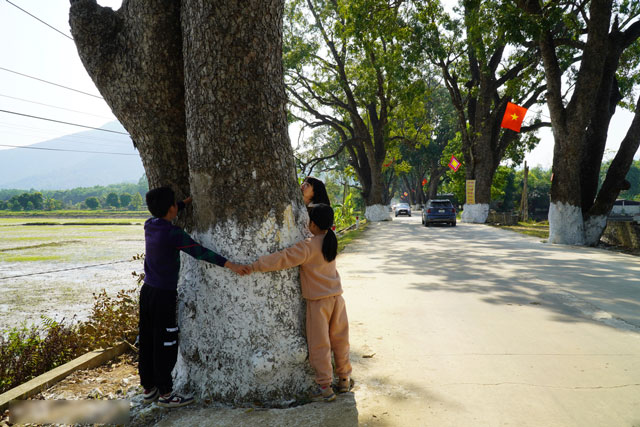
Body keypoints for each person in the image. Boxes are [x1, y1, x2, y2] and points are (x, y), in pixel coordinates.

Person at [140, 186, 247, 408]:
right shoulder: (173, 234)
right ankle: (167, 394)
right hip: (163, 296)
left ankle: (149, 388)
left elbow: (170, 208)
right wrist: (230, 264)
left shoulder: (150, 225)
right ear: (170, 208)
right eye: (174, 204)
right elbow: (198, 251)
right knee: (166, 341)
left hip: (147, 292)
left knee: (148, 338)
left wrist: (185, 202)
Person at [242, 203, 352, 402]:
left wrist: (255, 266)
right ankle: (344, 379)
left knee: (319, 344)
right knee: (340, 340)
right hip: (337, 299)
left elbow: (282, 258)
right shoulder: (331, 240)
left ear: (314, 224)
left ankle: (325, 386)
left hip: (318, 304)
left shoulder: (308, 246)